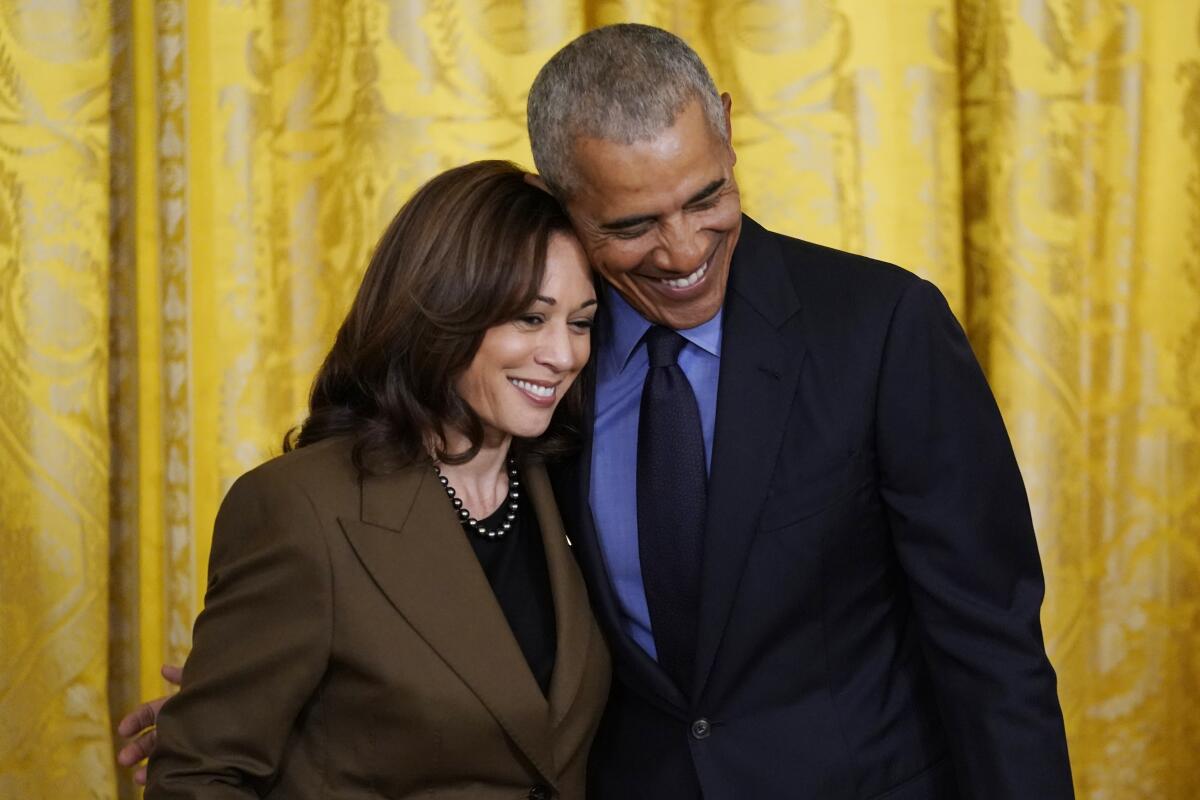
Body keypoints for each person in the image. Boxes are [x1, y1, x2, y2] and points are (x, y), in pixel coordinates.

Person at [123, 23, 1075, 799]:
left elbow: (990, 646)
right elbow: (453, 596)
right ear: (563, 202)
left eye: (708, 197)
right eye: (631, 225)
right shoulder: (537, 379)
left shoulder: (881, 328)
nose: (684, 249)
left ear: (728, 129)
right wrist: (281, 706)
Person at [137, 160, 610, 799]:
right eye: (530, 317)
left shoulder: (577, 486)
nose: (563, 355)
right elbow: (200, 777)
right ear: (445, 310)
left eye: (580, 322)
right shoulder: (299, 508)